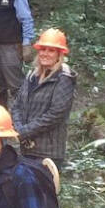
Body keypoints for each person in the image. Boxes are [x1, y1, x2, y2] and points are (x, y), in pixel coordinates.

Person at [10, 28, 75, 163]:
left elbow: (55, 115)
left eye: (51, 50)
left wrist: (25, 132)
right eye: (43, 49)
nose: (45, 54)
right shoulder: (32, 75)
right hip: (26, 149)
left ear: (59, 54)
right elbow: (17, 105)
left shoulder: (64, 78)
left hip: (48, 153)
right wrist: (18, 127)